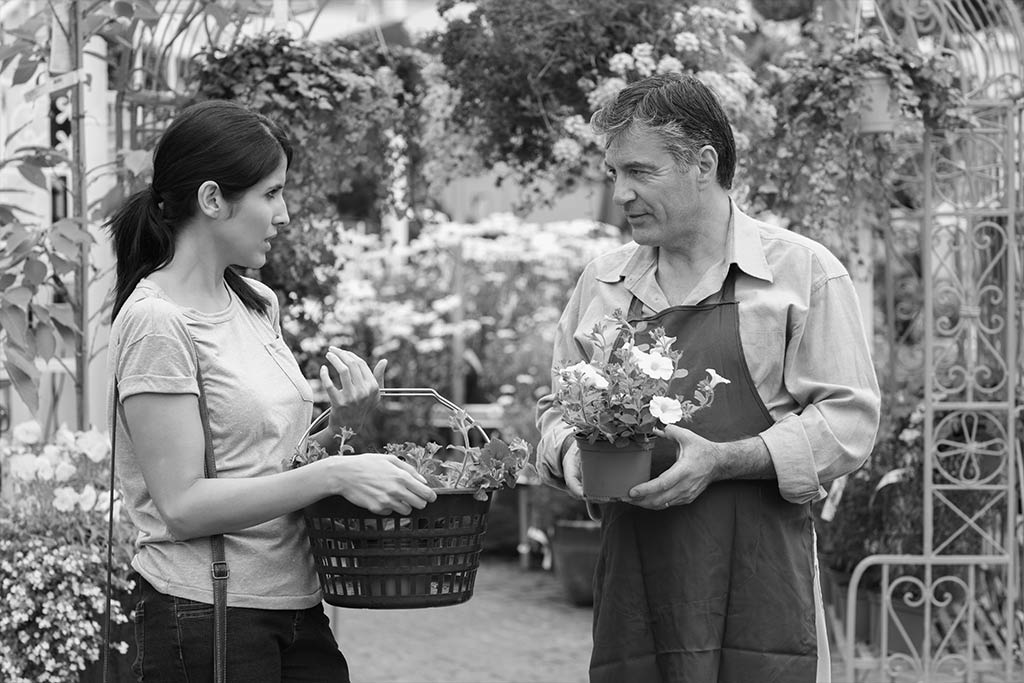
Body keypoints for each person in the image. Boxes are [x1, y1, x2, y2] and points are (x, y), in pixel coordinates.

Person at [535, 73, 881, 683]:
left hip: (761, 584)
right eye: (614, 173)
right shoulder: (603, 283)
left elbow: (848, 423)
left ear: (703, 162)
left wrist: (724, 459)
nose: (621, 194)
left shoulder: (800, 273)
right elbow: (557, 408)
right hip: (635, 586)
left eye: (640, 172)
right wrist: (571, 457)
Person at [105, 99, 437, 682]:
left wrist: (344, 424)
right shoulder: (157, 322)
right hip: (206, 614)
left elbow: (270, 465)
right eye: (271, 193)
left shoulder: (257, 303)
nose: (284, 215)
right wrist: (336, 475)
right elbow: (181, 507)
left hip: (297, 603)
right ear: (212, 199)